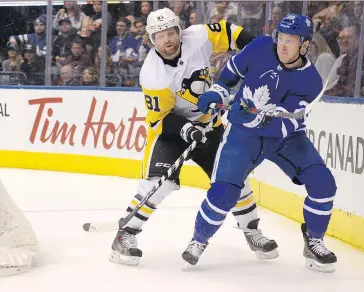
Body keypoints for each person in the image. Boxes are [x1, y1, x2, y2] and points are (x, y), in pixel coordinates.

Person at [110, 8, 279, 266]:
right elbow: (161, 118)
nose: (166, 40)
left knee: (235, 179)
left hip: (208, 125)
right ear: (151, 40)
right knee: (160, 183)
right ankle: (125, 235)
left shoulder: (199, 37)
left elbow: (232, 33)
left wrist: (261, 54)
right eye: (159, 36)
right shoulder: (152, 74)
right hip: (171, 133)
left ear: (179, 31)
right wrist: (187, 130)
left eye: (170, 33)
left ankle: (252, 231)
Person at [184, 14, 338, 273]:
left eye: (290, 40)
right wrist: (216, 93)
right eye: (281, 38)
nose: (282, 45)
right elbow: (230, 75)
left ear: (304, 46)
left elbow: (288, 121)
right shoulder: (260, 47)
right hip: (243, 136)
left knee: (324, 183)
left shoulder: (311, 80)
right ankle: (198, 240)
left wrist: (257, 117)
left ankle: (314, 241)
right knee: (224, 193)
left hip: (285, 139)